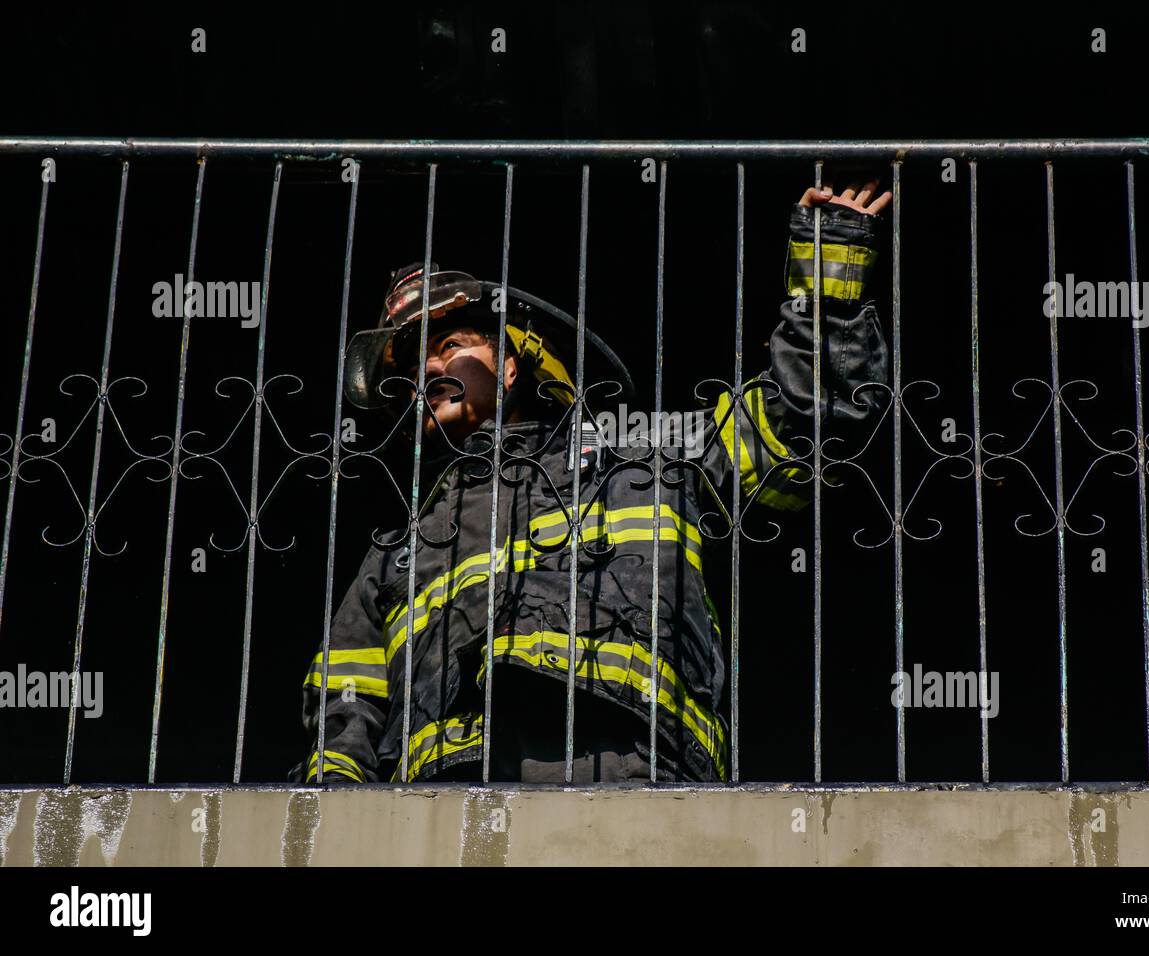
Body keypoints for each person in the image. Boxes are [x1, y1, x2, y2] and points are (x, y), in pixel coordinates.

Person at [295, 180, 892, 784]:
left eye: (449, 346)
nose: (428, 368)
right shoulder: (398, 553)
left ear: (508, 364)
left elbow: (800, 431)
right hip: (452, 806)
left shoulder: (643, 459)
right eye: (414, 362)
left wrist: (829, 270)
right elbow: (345, 710)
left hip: (638, 776)